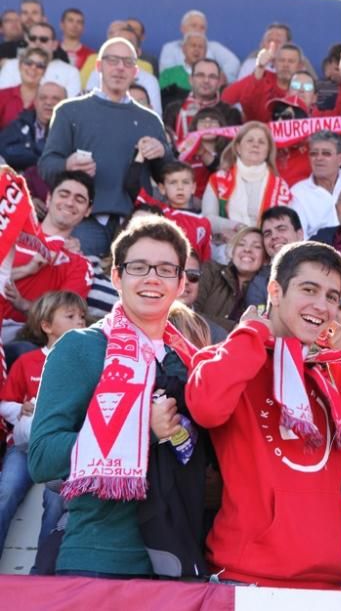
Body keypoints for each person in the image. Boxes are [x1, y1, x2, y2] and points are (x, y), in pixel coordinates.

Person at [186, 240, 341, 588]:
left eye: (331, 296)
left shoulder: (331, 371)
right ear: (275, 291)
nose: (321, 305)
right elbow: (206, 407)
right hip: (246, 577)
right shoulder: (230, 356)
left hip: (327, 576)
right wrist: (253, 332)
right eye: (308, 289)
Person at [28, 217, 207, 578]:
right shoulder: (81, 347)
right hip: (99, 558)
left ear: (181, 282)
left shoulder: (192, 359)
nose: (152, 278)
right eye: (138, 267)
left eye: (166, 269)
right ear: (116, 278)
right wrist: (142, 430)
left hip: (180, 559)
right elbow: (42, 457)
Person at [40, 36, 169, 257]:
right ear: (98, 66)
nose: (120, 68)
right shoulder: (69, 111)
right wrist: (68, 164)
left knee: (131, 289)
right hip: (84, 220)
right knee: (78, 286)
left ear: (136, 71)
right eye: (113, 60)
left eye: (127, 62)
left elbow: (169, 175)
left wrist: (162, 152)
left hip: (136, 223)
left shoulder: (150, 119)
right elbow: (46, 166)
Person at [0, 291, 87, 556]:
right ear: (46, 326)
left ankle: (43, 571)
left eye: (83, 317)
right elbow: (5, 404)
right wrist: (21, 409)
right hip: (25, 447)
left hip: (62, 449)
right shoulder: (27, 362)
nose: (80, 322)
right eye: (70, 316)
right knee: (6, 491)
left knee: (57, 499)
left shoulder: (88, 363)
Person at [0, 171, 94, 329]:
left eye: (79, 199)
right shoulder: (11, 230)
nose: (70, 203)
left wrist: (23, 304)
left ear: (88, 211)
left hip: (20, 333)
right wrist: (27, 270)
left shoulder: (80, 264)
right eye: (64, 194)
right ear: (49, 198)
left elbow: (66, 317)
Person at [201, 121, 291, 254]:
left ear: (268, 150)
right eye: (250, 140)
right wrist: (237, 227)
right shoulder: (218, 179)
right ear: (238, 147)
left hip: (267, 251)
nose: (256, 145)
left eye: (261, 142)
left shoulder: (280, 185)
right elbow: (208, 219)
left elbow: (285, 226)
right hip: (226, 247)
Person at [194, 226, 265, 332]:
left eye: (257, 246)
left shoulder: (265, 291)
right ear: (232, 252)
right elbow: (191, 314)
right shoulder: (211, 271)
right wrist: (235, 327)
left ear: (265, 258)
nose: (247, 249)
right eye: (241, 244)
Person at [163, 58, 242, 145]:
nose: (206, 81)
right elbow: (166, 144)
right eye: (200, 75)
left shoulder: (230, 112)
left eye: (212, 76)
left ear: (219, 82)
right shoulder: (174, 109)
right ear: (191, 80)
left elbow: (231, 149)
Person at [221, 42, 303, 123]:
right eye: (281, 60)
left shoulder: (305, 87)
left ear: (300, 66)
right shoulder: (261, 78)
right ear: (274, 63)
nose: (285, 65)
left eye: (291, 61)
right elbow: (225, 98)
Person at [148, 161, 212, 262]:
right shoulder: (159, 214)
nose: (180, 188)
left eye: (185, 182)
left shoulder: (204, 222)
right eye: (173, 182)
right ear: (162, 188)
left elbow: (206, 260)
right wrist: (140, 157)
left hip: (192, 275)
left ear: (193, 188)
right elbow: (132, 186)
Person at [0, 22, 81, 99]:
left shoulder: (70, 72)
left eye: (43, 39)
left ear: (54, 45)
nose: (37, 43)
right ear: (27, 41)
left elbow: (70, 107)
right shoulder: (10, 66)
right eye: (33, 38)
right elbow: (3, 98)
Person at [245, 206, 304, 309]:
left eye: (281, 229)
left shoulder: (323, 268)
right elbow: (258, 320)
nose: (274, 236)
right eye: (268, 233)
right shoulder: (259, 283)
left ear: (299, 235)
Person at [158, 10, 240, 83]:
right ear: (182, 28)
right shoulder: (170, 48)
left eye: (202, 27)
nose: (198, 30)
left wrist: (222, 80)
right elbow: (167, 74)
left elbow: (233, 63)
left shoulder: (214, 47)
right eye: (194, 25)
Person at [0, 47, 48, 130]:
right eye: (29, 63)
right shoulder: (2, 95)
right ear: (19, 66)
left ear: (45, 71)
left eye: (40, 65)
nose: (33, 68)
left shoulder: (49, 99)